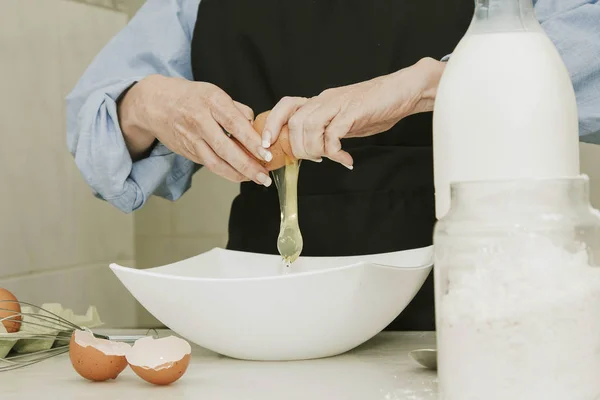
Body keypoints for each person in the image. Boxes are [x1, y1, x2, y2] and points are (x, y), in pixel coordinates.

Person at [67, 0, 600, 331]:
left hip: (474, 303)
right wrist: (145, 104)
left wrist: (434, 83)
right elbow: (99, 140)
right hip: (265, 317)